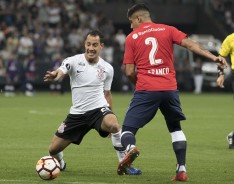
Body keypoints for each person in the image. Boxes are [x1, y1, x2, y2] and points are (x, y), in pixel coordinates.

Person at [117, 3, 228, 181]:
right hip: (169, 89)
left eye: (131, 22)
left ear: (138, 19)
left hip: (147, 89)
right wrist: (214, 57)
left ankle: (130, 149)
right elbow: (191, 45)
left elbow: (129, 71)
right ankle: (181, 169)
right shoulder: (168, 29)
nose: (131, 26)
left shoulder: (132, 37)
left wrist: (141, 84)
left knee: (127, 130)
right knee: (175, 128)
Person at [43, 30, 141, 175]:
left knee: (114, 125)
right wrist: (56, 74)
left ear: (101, 46)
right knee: (53, 150)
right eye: (88, 44)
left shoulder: (108, 68)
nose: (91, 48)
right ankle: (61, 163)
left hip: (98, 110)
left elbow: (107, 93)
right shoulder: (73, 60)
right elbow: (62, 69)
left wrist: (111, 113)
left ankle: (125, 165)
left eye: (95, 45)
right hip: (77, 114)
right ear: (84, 45)